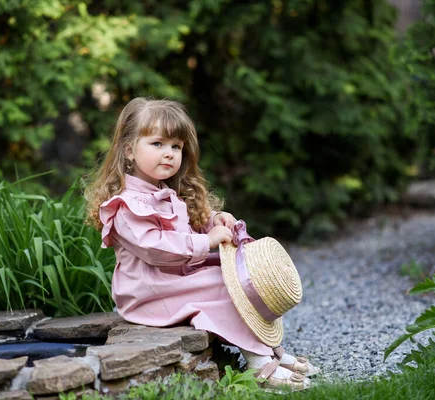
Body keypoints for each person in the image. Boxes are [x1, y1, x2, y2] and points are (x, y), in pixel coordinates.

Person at [84, 97, 318, 390]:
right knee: (225, 286)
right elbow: (158, 249)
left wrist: (215, 221)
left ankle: (269, 350)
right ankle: (260, 366)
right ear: (129, 150)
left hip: (171, 279)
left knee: (238, 276)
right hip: (148, 292)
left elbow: (188, 226)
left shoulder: (166, 192)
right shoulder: (127, 206)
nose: (169, 154)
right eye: (157, 144)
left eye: (176, 147)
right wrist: (206, 241)